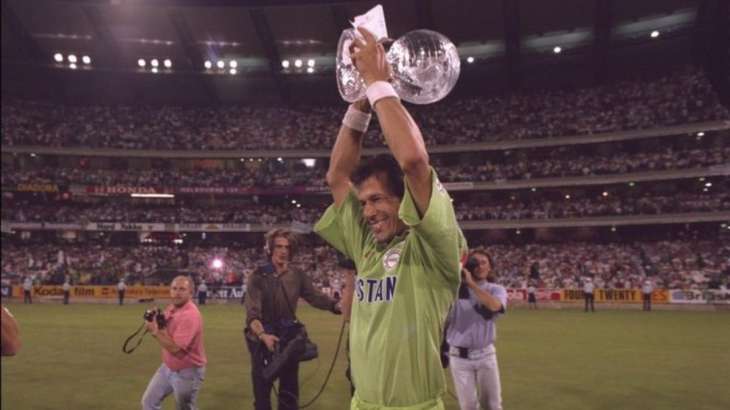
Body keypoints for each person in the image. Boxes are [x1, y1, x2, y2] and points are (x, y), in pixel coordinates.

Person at [314, 26, 463, 410]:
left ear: (405, 201)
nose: (367, 212)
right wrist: (360, 104)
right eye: (363, 203)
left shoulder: (433, 247)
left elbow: (413, 162)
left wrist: (380, 85)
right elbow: (336, 178)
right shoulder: (366, 247)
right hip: (362, 403)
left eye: (377, 200)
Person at [244, 228, 342, 410]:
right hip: (261, 341)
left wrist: (336, 306)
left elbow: (315, 297)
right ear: (270, 249)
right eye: (279, 246)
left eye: (287, 247)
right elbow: (252, 315)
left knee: (289, 396)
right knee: (262, 395)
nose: (283, 251)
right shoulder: (258, 276)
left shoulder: (297, 275)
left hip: (288, 340)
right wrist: (263, 335)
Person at [445, 249, 507, 410]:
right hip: (458, 357)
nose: (479, 266)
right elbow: (444, 321)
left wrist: (471, 284)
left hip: (485, 354)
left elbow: (495, 306)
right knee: (468, 406)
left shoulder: (496, 289)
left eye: (483, 262)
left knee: (492, 405)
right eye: (474, 263)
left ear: (490, 267)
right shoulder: (454, 291)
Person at [141, 276, 207, 410]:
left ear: (191, 293)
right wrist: (155, 317)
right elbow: (163, 326)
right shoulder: (173, 307)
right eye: (174, 288)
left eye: (182, 289)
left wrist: (154, 331)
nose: (177, 292)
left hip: (188, 371)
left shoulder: (190, 315)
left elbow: (176, 349)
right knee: (148, 402)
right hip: (167, 367)